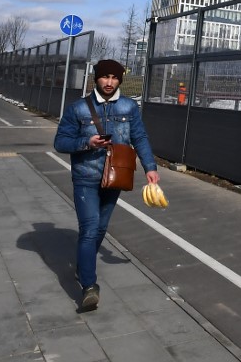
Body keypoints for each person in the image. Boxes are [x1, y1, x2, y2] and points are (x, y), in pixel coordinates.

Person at [53, 59, 159, 310]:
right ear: (96, 79)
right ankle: (89, 286)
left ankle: (83, 266)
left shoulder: (129, 107)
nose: (109, 82)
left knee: (101, 228)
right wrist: (87, 142)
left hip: (116, 176)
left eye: (114, 77)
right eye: (104, 77)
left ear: (120, 79)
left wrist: (150, 167)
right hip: (86, 176)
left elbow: (139, 137)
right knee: (89, 229)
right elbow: (60, 142)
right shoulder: (78, 108)